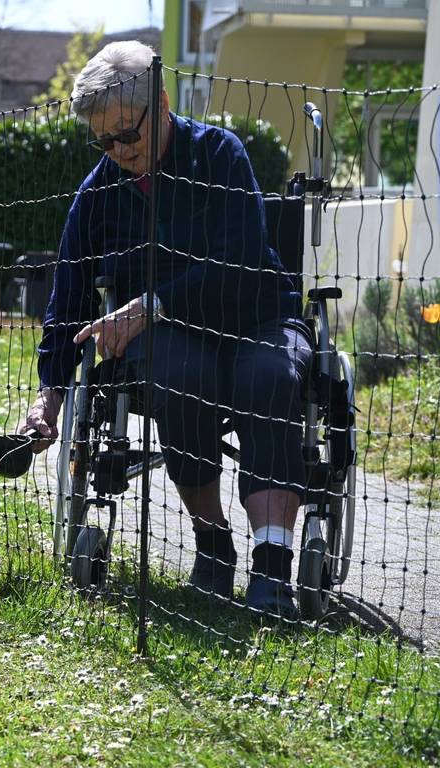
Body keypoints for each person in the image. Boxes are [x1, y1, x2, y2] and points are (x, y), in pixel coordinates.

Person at [24, 41, 311, 620]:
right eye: (103, 140)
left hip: (255, 318)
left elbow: (240, 262)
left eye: (126, 133)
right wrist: (48, 396)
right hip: (173, 344)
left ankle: (273, 564)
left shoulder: (220, 155)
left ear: (161, 103)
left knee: (271, 377)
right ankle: (212, 542)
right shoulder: (97, 193)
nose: (117, 150)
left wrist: (151, 304)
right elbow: (68, 299)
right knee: (181, 378)